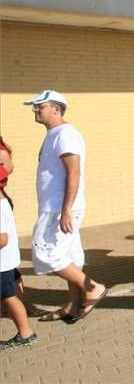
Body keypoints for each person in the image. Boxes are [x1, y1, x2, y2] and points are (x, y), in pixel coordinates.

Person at [24, 90, 108, 322]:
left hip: (59, 208)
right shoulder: (54, 134)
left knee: (46, 254)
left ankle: (92, 288)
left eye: (39, 106)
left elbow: (74, 172)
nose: (36, 110)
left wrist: (66, 210)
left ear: (56, 109)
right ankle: (71, 305)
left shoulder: (66, 134)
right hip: (56, 207)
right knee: (70, 255)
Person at [0, 136, 37, 350]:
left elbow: (2, 239)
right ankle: (25, 328)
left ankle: (26, 332)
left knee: (9, 297)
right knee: (10, 294)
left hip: (2, 262)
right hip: (6, 262)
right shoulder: (3, 200)